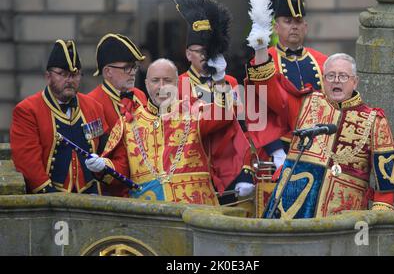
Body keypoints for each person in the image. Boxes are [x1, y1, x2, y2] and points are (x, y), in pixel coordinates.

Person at [251, 53, 394, 218]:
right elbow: (267, 88)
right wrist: (260, 48)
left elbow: (388, 181)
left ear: (355, 81)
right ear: (324, 80)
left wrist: (376, 221)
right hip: (291, 212)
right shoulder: (305, 103)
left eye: (343, 76)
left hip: (344, 217)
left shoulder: (375, 120)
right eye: (331, 75)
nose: (336, 80)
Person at [84, 58, 249, 206]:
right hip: (150, 218)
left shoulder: (193, 112)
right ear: (147, 83)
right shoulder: (128, 123)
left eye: (167, 80)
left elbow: (224, 113)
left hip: (196, 213)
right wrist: (103, 167)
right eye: (156, 81)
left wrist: (220, 79)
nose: (161, 87)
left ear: (177, 83)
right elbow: (121, 171)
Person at [174, 0, 255, 206]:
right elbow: (199, 127)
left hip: (230, 174)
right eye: (199, 51)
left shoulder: (229, 80)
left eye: (208, 51)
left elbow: (241, 126)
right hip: (194, 175)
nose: (204, 56)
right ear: (187, 54)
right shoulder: (178, 85)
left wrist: (246, 169)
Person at [246, 0, 328, 173]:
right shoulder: (263, 61)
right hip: (278, 149)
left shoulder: (324, 61)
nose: (294, 26)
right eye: (287, 20)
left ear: (305, 27)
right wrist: (275, 151)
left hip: (320, 146)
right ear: (275, 27)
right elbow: (255, 111)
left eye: (298, 21)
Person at [10, 39, 108, 194]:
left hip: (92, 196)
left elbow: (105, 151)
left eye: (74, 74)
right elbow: (28, 163)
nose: (69, 80)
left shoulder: (94, 107)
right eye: (62, 74)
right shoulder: (28, 110)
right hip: (49, 199)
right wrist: (52, 198)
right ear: (48, 76)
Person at [88, 34, 147, 196]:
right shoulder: (92, 102)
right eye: (127, 67)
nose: (133, 72)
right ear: (108, 72)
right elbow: (96, 152)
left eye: (134, 67)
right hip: (114, 188)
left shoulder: (139, 95)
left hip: (145, 182)